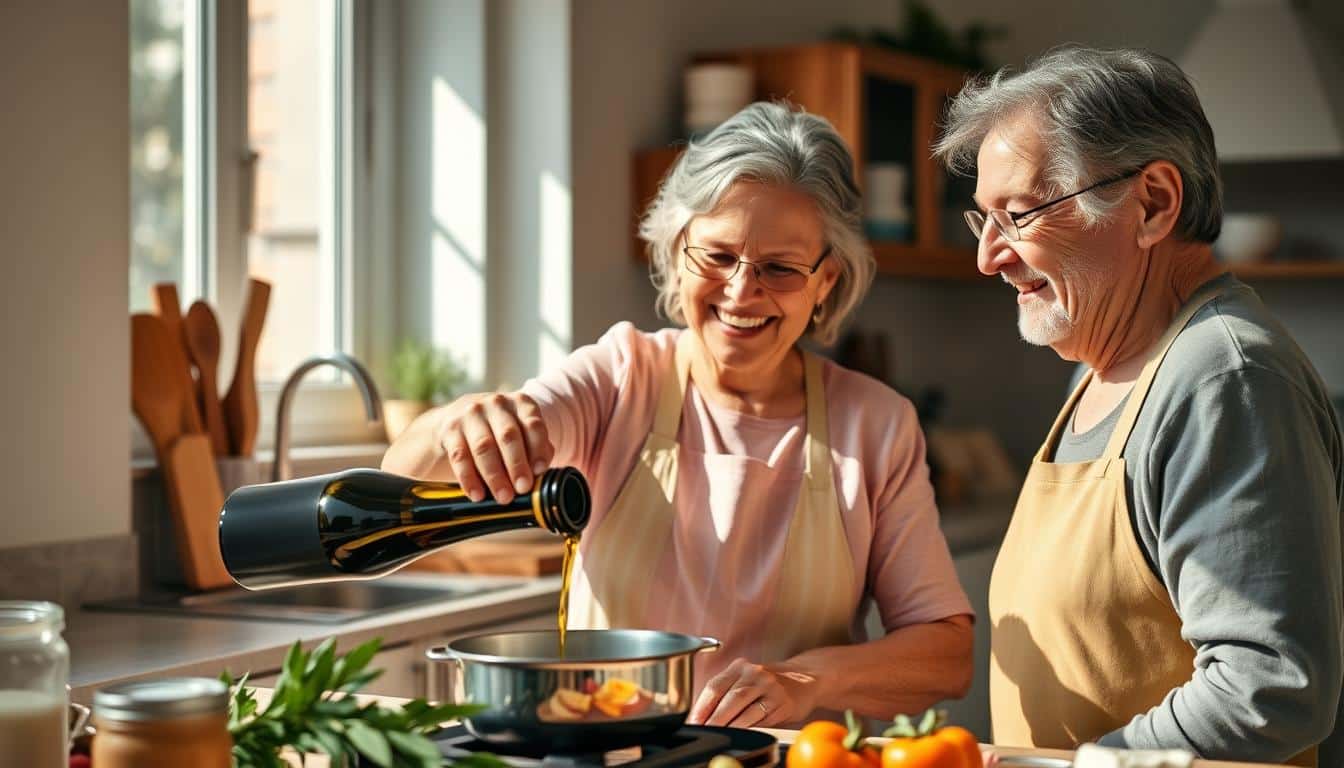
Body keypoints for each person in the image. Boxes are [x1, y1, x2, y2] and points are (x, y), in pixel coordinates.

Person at [384, 101, 974, 727]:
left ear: (825, 280)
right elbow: (404, 481)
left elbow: (946, 654)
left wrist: (805, 679)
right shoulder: (618, 377)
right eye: (717, 256)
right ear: (677, 245)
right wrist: (464, 421)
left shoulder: (877, 424)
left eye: (779, 268)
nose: (742, 292)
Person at [933, 46, 1344, 765]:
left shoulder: (1224, 378)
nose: (987, 257)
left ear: (1153, 202)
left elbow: (1268, 687)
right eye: (982, 220)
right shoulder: (1103, 367)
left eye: (1019, 213)